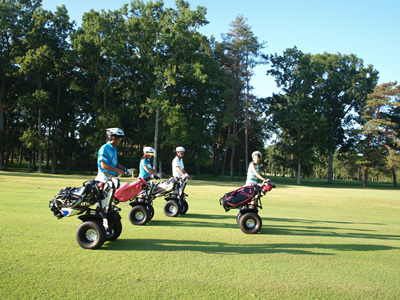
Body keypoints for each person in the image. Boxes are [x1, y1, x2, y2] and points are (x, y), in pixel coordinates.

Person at [95, 127, 128, 211]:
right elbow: (103, 165)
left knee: (106, 204)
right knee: (102, 203)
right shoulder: (104, 148)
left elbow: (115, 163)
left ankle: (101, 221)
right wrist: (117, 170)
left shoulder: (114, 149)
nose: (120, 140)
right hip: (103, 177)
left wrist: (123, 169)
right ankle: (97, 221)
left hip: (110, 178)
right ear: (113, 137)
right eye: (119, 138)